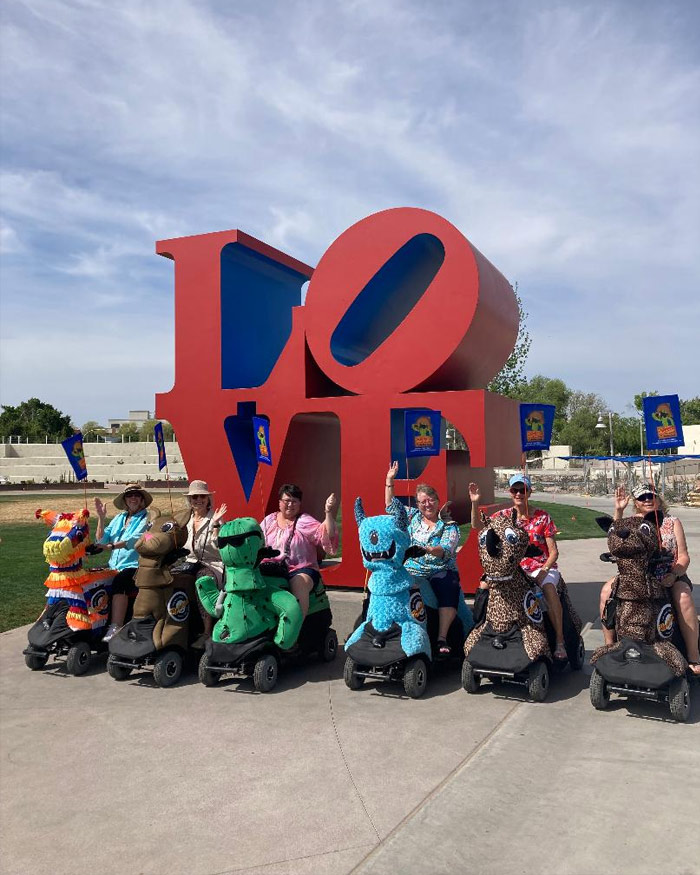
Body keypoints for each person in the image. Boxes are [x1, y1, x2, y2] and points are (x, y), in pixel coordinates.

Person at [599, 483, 699, 675]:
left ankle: (694, 657)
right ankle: (609, 648)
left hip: (668, 574)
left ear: (658, 499)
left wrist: (674, 575)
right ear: (636, 502)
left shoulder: (671, 522)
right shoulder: (630, 521)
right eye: (642, 497)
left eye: (650, 496)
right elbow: (615, 540)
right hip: (634, 575)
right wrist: (618, 511)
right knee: (606, 591)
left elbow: (683, 557)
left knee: (683, 596)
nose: (647, 500)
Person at [470, 474, 567, 660]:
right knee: (484, 585)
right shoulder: (503, 516)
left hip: (540, 567)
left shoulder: (543, 517)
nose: (518, 494)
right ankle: (480, 630)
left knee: (548, 588)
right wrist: (475, 503)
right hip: (512, 569)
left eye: (522, 490)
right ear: (510, 492)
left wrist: (543, 571)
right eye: (515, 490)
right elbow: (477, 525)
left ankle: (560, 641)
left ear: (529, 492)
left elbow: (553, 552)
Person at [385, 461, 462, 656]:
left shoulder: (448, 525)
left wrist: (427, 549)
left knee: (448, 585)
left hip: (439, 569)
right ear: (417, 504)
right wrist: (390, 479)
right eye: (422, 502)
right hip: (412, 568)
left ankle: (441, 638)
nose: (427, 504)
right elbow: (391, 507)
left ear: (437, 501)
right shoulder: (412, 516)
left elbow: (446, 549)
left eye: (431, 500)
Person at [261, 484, 338, 618]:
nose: (290, 504)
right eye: (287, 500)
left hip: (300, 569)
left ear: (299, 503)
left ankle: (296, 624)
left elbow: (327, 535)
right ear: (279, 502)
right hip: (272, 568)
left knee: (299, 582)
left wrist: (328, 512)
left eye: (294, 501)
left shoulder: (304, 521)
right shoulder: (269, 521)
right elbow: (256, 540)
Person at [95, 483, 151, 642]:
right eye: (129, 495)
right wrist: (101, 518)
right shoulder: (119, 518)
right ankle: (95, 623)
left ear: (142, 500)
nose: (133, 498)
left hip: (135, 566)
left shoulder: (147, 518)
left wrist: (112, 546)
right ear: (125, 500)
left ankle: (116, 625)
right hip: (114, 565)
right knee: (92, 578)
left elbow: (136, 540)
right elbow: (101, 539)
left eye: (137, 495)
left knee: (121, 581)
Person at [183, 479, 227, 642]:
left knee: (203, 580)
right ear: (190, 500)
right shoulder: (185, 520)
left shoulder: (216, 519)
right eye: (194, 497)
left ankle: (207, 631)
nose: (198, 500)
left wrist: (215, 526)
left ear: (208, 499)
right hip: (189, 562)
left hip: (212, 564)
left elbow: (220, 548)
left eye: (202, 496)